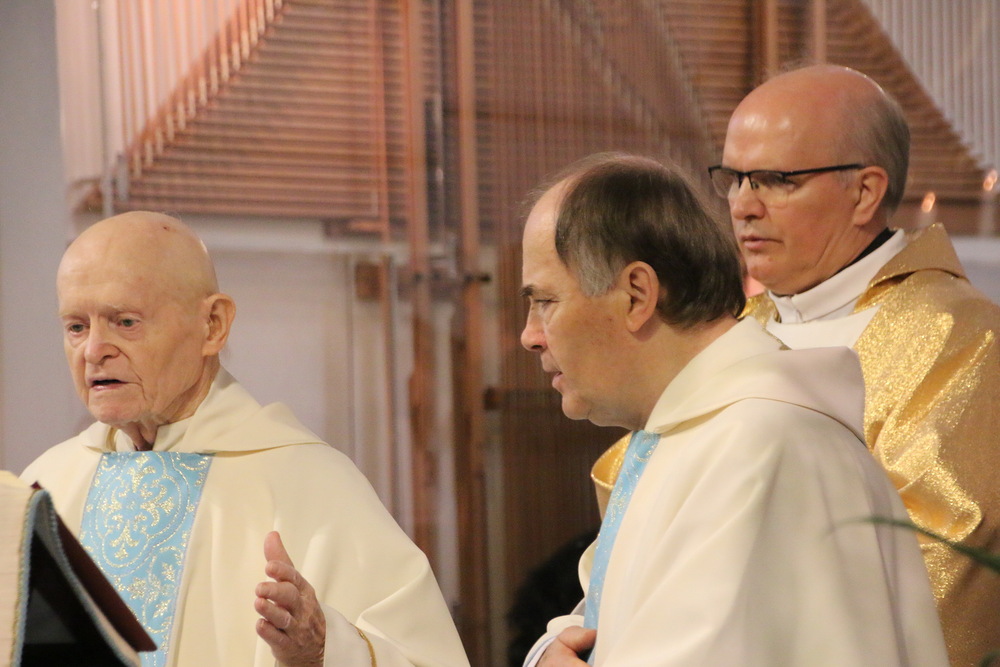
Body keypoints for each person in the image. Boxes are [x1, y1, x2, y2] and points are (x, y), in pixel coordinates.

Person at [518, 153, 947, 666]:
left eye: (544, 302)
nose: (530, 336)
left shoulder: (757, 445)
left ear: (636, 295)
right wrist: (548, 651)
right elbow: (617, 618)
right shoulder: (694, 433)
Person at [20, 211, 469, 667]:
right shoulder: (44, 488)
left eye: (125, 322)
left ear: (213, 325)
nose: (94, 350)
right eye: (76, 327)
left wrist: (323, 649)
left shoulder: (309, 482)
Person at [713, 63, 1000, 667]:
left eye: (775, 180)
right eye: (733, 179)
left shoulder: (960, 336)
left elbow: (941, 557)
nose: (743, 206)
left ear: (865, 192)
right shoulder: (730, 333)